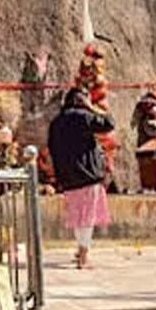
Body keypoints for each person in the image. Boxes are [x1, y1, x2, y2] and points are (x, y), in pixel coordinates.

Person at [47, 87, 116, 268]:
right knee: (87, 216)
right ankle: (83, 256)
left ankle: (80, 250)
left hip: (68, 177)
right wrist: (92, 107)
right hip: (87, 174)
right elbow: (109, 123)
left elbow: (51, 149)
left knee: (78, 215)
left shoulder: (56, 122)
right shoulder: (83, 117)